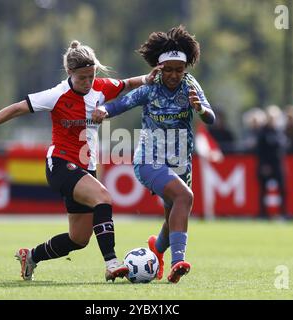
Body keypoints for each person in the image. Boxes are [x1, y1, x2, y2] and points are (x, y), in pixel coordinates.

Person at [0, 40, 161, 282]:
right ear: (69, 73)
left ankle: (31, 256)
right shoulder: (56, 95)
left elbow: (127, 83)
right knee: (104, 198)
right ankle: (112, 263)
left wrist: (147, 79)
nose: (88, 82)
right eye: (82, 78)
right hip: (60, 164)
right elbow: (16, 109)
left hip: (86, 167)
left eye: (91, 76)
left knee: (78, 239)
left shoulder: (102, 87)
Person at [92, 26, 215, 283]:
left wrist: (200, 109)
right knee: (185, 196)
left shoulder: (191, 86)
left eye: (178, 70)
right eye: (167, 69)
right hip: (149, 160)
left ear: (186, 69)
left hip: (181, 162)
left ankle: (156, 249)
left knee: (174, 218)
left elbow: (210, 117)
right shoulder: (150, 87)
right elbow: (123, 103)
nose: (173, 75)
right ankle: (178, 261)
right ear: (158, 67)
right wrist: (104, 110)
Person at [256, 105, 288, 219]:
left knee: (282, 189)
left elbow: (283, 146)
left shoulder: (279, 131)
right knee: (263, 190)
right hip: (266, 164)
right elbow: (260, 150)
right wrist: (264, 164)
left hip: (277, 164)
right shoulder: (263, 132)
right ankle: (263, 213)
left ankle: (283, 213)